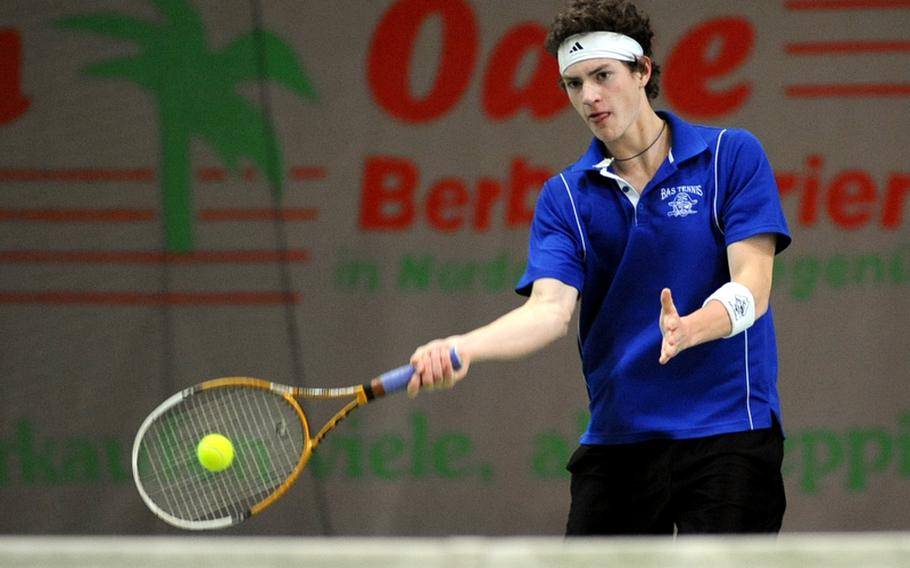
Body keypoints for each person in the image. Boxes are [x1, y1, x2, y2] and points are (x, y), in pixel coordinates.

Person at [407, 0, 791, 535]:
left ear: (643, 71)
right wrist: (464, 347)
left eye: (603, 75)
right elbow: (548, 310)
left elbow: (753, 284)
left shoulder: (731, 156)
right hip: (620, 438)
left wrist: (691, 328)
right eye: (573, 82)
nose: (589, 96)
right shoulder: (565, 196)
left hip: (727, 430)